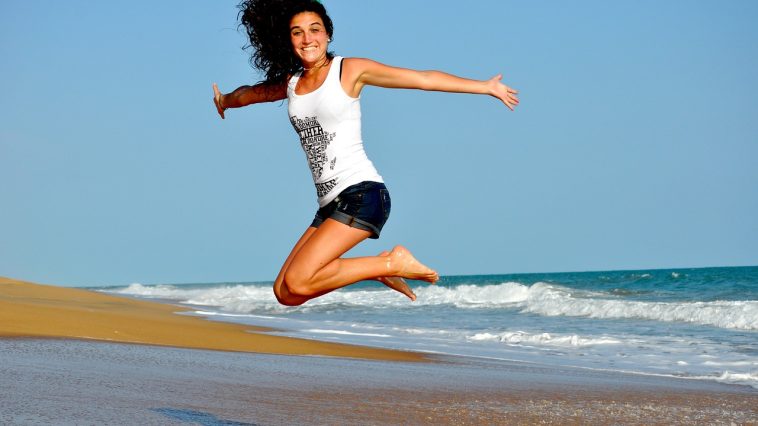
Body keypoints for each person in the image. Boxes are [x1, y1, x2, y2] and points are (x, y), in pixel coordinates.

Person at [213, 0, 519, 306]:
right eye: (298, 32)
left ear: (328, 35)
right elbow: (249, 95)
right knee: (285, 292)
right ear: (289, 40)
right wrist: (225, 100)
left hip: (362, 194)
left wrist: (484, 87)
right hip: (330, 203)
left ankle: (391, 263)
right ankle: (376, 268)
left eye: (315, 30)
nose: (308, 39)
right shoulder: (292, 84)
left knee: (298, 280)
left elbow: (422, 79)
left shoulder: (349, 70)